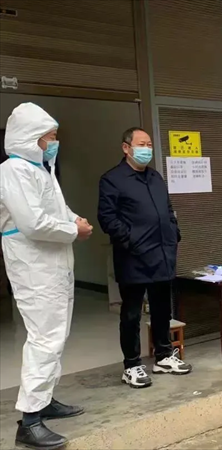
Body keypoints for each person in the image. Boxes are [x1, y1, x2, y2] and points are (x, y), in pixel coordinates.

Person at [0, 103, 93, 449]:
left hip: (53, 262)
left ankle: (44, 399)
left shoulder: (41, 169)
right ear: (31, 137)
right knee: (44, 337)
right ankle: (29, 421)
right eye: (50, 136)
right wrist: (73, 230)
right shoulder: (13, 170)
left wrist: (74, 219)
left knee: (57, 333)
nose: (55, 142)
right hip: (34, 264)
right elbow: (33, 222)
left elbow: (56, 208)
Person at [98, 127, 191, 389]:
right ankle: (131, 365)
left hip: (162, 254)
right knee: (131, 313)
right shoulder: (112, 179)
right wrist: (130, 240)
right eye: (142, 144)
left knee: (162, 309)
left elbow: (168, 209)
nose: (147, 149)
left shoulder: (155, 177)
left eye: (149, 144)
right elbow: (107, 218)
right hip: (133, 258)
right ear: (126, 148)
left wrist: (173, 233)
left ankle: (163, 356)